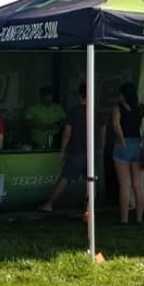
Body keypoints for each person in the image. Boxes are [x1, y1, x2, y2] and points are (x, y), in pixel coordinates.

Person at [111, 82, 144, 225]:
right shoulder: (141, 108)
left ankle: (124, 220)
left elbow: (116, 124)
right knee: (138, 184)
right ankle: (139, 218)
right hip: (138, 145)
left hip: (122, 146)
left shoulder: (118, 108)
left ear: (123, 95)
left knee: (124, 184)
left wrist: (121, 139)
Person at [37, 84, 88, 213]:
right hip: (91, 152)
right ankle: (89, 208)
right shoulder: (96, 111)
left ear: (79, 96)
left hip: (76, 151)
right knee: (91, 181)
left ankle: (49, 204)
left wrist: (63, 150)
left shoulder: (73, 111)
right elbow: (103, 130)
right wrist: (99, 148)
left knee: (65, 178)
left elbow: (66, 133)